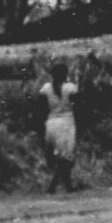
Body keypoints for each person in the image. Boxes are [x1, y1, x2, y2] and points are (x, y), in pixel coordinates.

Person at [37, 62, 78, 193]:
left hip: (51, 123)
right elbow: (79, 105)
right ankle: (54, 185)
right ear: (65, 74)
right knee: (66, 157)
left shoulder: (46, 88)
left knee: (61, 157)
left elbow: (41, 109)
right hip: (66, 122)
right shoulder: (70, 87)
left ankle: (68, 186)